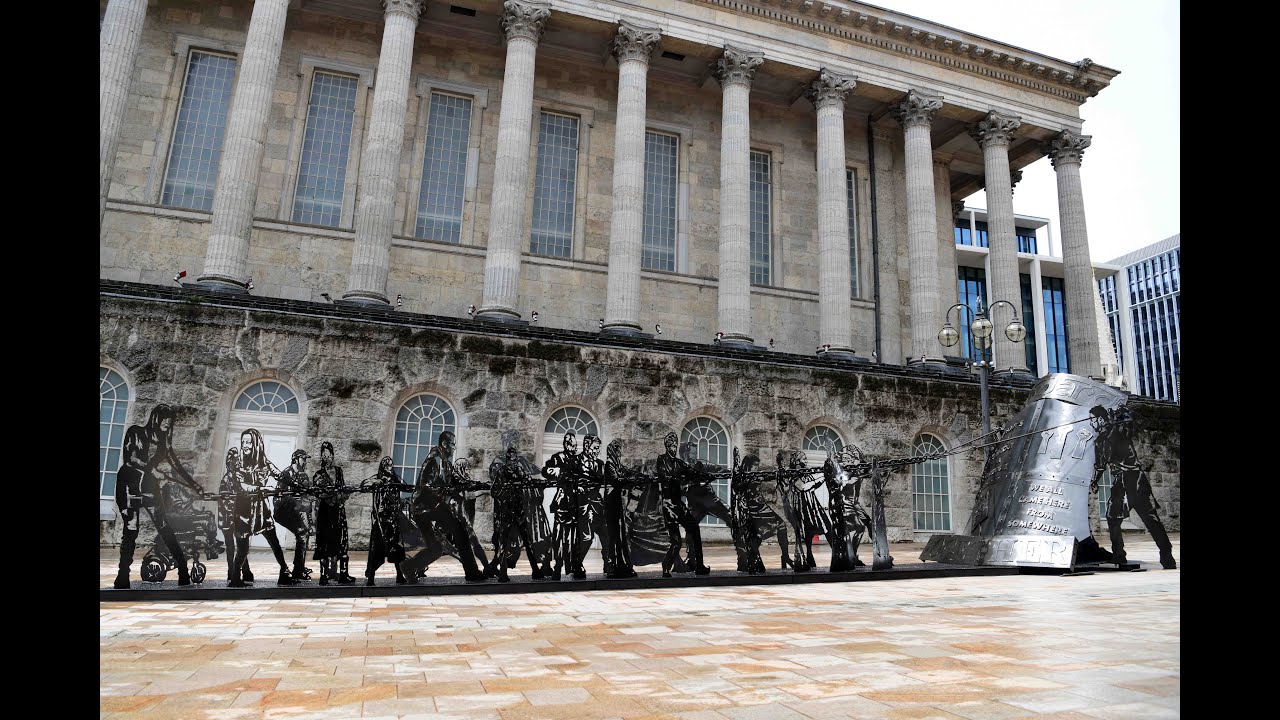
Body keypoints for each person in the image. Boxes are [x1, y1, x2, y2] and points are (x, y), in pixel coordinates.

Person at [113, 404, 204, 588]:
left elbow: (177, 466)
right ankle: (123, 575)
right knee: (131, 529)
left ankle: (183, 569)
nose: (168, 424)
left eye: (170, 422)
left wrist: (195, 486)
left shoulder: (163, 442)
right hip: (129, 485)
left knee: (165, 527)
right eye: (165, 421)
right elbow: (130, 458)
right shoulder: (136, 432)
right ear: (156, 419)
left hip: (148, 487)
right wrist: (153, 470)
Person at [1090, 405, 1177, 569]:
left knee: (1149, 518)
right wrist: (1095, 481)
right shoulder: (1099, 441)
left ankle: (1166, 552)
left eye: (1093, 419)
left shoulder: (1121, 429)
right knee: (1113, 518)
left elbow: (1138, 422)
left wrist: (1122, 414)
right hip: (1120, 480)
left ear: (1100, 419)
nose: (1091, 423)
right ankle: (1119, 554)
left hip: (1134, 477)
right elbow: (1100, 466)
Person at [410, 431, 487, 582]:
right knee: (459, 533)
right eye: (452, 444)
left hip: (433, 508)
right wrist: (442, 503)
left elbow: (453, 483)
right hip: (424, 508)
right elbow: (425, 487)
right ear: (445, 444)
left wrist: (476, 485)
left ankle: (408, 567)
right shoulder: (434, 460)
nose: (454, 448)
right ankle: (472, 573)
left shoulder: (445, 462)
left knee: (436, 549)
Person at [235, 429, 297, 586]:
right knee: (242, 547)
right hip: (243, 511)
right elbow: (241, 486)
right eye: (243, 442)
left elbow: (281, 476)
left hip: (262, 512)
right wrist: (260, 489)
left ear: (256, 444)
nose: (245, 445)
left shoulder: (264, 463)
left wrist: (297, 485)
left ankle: (284, 571)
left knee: (274, 543)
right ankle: (238, 575)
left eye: (248, 442)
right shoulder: (238, 463)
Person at [488, 445, 552, 582]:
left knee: (528, 542)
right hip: (506, 511)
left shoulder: (519, 470)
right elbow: (494, 492)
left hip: (519, 511)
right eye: (511, 460)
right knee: (504, 543)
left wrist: (537, 483)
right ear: (507, 460)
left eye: (514, 460)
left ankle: (535, 570)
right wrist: (506, 491)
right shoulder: (501, 472)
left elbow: (527, 480)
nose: (513, 462)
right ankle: (503, 573)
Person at [656, 432, 707, 577]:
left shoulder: (679, 463)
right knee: (676, 541)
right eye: (671, 445)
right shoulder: (662, 460)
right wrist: (680, 478)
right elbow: (664, 477)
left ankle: (700, 565)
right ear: (667, 446)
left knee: (695, 529)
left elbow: (691, 472)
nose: (673, 448)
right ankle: (666, 565)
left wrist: (704, 475)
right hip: (668, 506)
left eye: (675, 445)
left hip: (679, 505)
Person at [312, 441, 356, 585]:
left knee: (341, 541)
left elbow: (341, 488)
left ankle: (342, 574)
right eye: (324, 454)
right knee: (324, 542)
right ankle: (323, 576)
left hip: (338, 511)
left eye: (329, 454)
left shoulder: (338, 471)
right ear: (321, 456)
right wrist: (331, 495)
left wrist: (343, 495)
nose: (327, 457)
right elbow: (318, 493)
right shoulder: (318, 475)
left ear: (332, 455)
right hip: (325, 512)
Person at [362, 456, 410, 585]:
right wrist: (377, 481)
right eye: (386, 465)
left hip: (392, 520)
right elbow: (364, 484)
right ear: (382, 466)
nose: (389, 467)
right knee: (376, 549)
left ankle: (400, 575)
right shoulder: (377, 478)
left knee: (396, 548)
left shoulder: (395, 479)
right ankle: (371, 577)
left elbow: (406, 487)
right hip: (380, 520)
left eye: (391, 465)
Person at [544, 431, 585, 579]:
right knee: (559, 536)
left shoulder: (578, 460)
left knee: (575, 537)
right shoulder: (558, 458)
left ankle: (574, 565)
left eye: (575, 445)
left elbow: (583, 476)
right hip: (562, 502)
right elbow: (546, 470)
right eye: (572, 445)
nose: (574, 447)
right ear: (566, 444)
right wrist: (560, 473)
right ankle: (557, 566)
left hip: (576, 502)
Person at [274, 449, 315, 582]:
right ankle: (298, 570)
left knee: (304, 534)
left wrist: (310, 521)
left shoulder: (303, 476)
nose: (305, 462)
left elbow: (306, 499)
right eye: (303, 459)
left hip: (297, 510)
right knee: (302, 534)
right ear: (296, 459)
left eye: (306, 460)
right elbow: (278, 496)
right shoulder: (286, 473)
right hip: (284, 511)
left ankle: (300, 566)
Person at [574, 434, 611, 577]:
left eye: (598, 449)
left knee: (607, 535)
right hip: (584, 504)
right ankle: (578, 565)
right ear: (587, 446)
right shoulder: (576, 462)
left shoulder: (600, 464)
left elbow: (605, 478)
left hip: (598, 503)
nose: (597, 451)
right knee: (586, 538)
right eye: (595, 448)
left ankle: (608, 564)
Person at [602, 439, 638, 578]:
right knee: (613, 537)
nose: (619, 453)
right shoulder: (609, 465)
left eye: (619, 451)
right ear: (613, 451)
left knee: (621, 536)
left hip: (617, 505)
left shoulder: (617, 464)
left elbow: (627, 471)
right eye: (617, 451)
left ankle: (623, 565)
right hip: (611, 506)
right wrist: (629, 480)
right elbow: (617, 480)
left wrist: (638, 475)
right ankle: (611, 566)